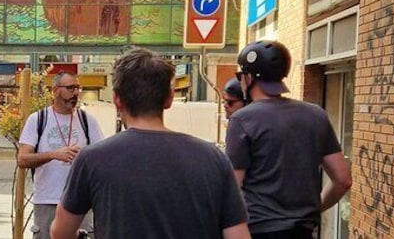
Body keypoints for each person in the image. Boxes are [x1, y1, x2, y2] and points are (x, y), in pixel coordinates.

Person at [51, 49, 249, 239]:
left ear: (116, 100)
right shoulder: (213, 159)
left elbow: (60, 233)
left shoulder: (92, 159)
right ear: (169, 99)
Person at [226, 40, 352, 239]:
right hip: (302, 230)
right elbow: (343, 179)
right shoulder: (316, 115)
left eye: (241, 75)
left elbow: (231, 190)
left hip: (258, 230)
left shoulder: (242, 120)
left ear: (249, 78)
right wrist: (315, 207)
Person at [16, 71, 104, 239]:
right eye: (70, 88)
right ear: (55, 91)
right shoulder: (38, 119)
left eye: (77, 88)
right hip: (47, 200)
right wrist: (53, 155)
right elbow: (22, 159)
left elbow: (101, 159)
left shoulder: (87, 120)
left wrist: (86, 157)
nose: (76, 93)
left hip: (81, 202)